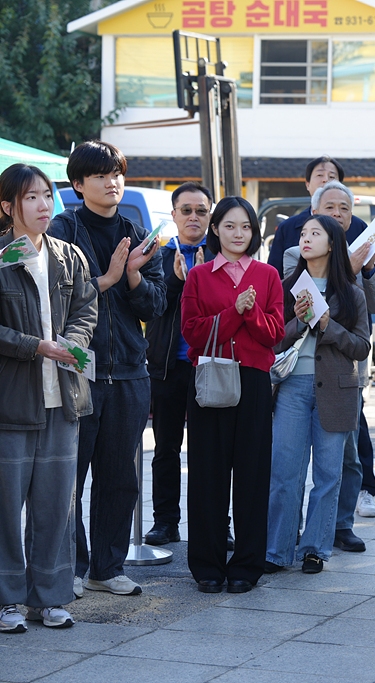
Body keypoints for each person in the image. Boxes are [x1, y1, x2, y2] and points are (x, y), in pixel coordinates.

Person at [48, 141, 167, 598]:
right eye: (99, 175)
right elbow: (56, 299)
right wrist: (108, 279)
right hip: (80, 372)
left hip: (131, 373)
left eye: (116, 173)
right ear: (78, 185)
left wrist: (134, 274)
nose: (111, 182)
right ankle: (72, 568)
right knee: (69, 479)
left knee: (121, 478)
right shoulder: (64, 230)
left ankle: (107, 567)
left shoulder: (138, 233)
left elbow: (156, 304)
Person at [0, 164, 98, 632]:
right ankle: (6, 600)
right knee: (4, 505)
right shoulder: (1, 255)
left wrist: (73, 340)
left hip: (62, 397)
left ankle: (52, 597)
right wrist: (33, 345)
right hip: (11, 402)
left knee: (57, 504)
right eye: (31, 197)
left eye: (46, 195)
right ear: (7, 207)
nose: (43, 205)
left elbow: (86, 306)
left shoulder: (67, 255)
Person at [180, 196, 284, 594]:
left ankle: (246, 565)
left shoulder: (268, 275)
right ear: (216, 230)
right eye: (229, 226)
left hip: (255, 383)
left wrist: (250, 312)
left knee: (253, 475)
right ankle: (206, 564)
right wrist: (233, 313)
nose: (238, 234)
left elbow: (274, 334)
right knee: (207, 473)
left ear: (253, 232)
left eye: (245, 227)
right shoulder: (199, 276)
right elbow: (192, 333)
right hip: (210, 380)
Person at [265, 215, 370, 575]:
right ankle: (276, 550)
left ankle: (316, 548)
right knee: (284, 472)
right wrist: (295, 322)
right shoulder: (284, 286)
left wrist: (328, 326)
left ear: (332, 243)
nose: (305, 238)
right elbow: (272, 339)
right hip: (292, 387)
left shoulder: (351, 293)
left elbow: (361, 346)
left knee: (328, 474)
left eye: (315, 233)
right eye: (304, 233)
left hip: (338, 389)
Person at [144, 181, 213, 547]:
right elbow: (149, 305)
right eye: (186, 210)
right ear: (173, 215)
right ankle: (165, 521)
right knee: (166, 449)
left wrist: (204, 281)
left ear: (210, 216)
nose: (193, 216)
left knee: (211, 451)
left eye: (201, 210)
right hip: (168, 365)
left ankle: (216, 523)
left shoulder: (222, 254)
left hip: (211, 368)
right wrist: (176, 281)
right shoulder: (157, 254)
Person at [267, 156, 368, 278]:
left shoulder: (359, 227)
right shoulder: (288, 228)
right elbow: (274, 276)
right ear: (307, 184)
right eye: (320, 175)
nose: (326, 180)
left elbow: (366, 283)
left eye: (332, 177)